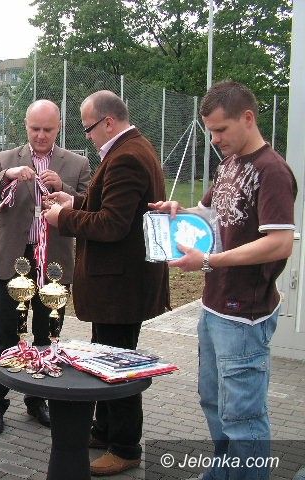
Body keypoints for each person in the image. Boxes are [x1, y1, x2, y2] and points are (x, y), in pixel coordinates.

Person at [150, 80, 297, 480]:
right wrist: (179, 210)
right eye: (210, 131)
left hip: (244, 314)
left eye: (220, 130)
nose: (214, 139)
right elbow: (211, 214)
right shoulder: (229, 164)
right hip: (214, 306)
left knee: (243, 417)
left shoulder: (272, 170)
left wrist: (210, 260)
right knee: (213, 402)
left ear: (247, 118)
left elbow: (280, 243)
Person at [43, 90, 169, 476]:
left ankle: (126, 447)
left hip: (120, 286)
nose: (88, 136)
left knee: (119, 364)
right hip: (120, 284)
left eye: (88, 128)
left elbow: (112, 224)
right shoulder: (130, 148)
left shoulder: (127, 156)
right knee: (106, 357)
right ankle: (104, 429)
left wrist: (63, 218)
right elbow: (108, 203)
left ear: (108, 122)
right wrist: (74, 201)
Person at [0, 99, 91, 435]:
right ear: (26, 126)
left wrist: (62, 188)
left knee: (47, 334)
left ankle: (37, 399)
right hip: (14, 259)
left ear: (59, 128)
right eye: (35, 128)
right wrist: (7, 176)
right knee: (4, 334)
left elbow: (88, 207)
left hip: (53, 262)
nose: (41, 135)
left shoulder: (77, 163)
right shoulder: (5, 159)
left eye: (48, 129)